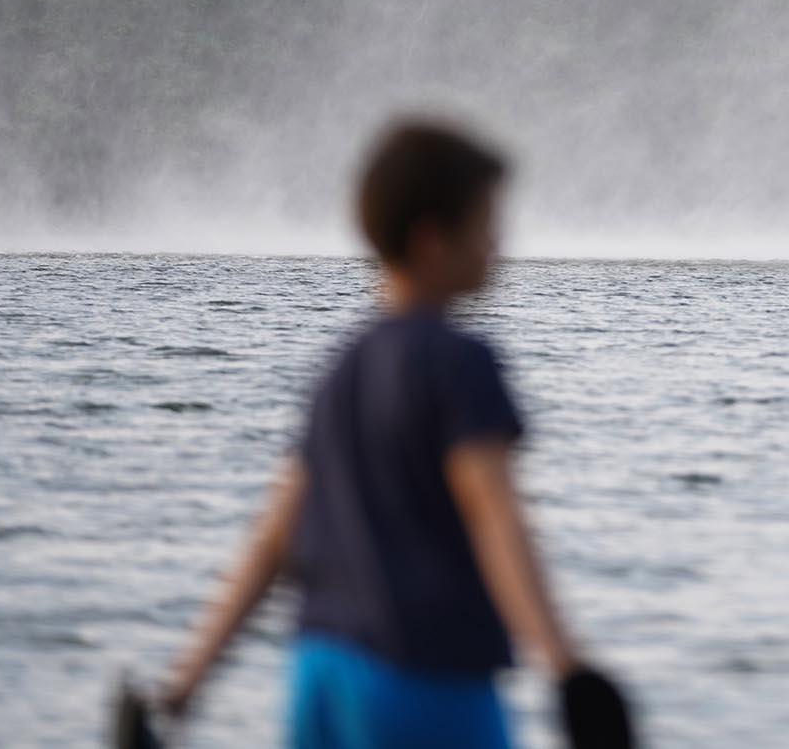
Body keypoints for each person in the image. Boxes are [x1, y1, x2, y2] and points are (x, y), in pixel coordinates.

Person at [157, 118, 630, 747]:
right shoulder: (460, 361)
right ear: (433, 240)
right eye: (486, 223)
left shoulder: (342, 367)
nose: (499, 243)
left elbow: (273, 538)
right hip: (423, 677)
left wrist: (184, 687)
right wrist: (567, 669)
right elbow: (495, 519)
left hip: (319, 672)